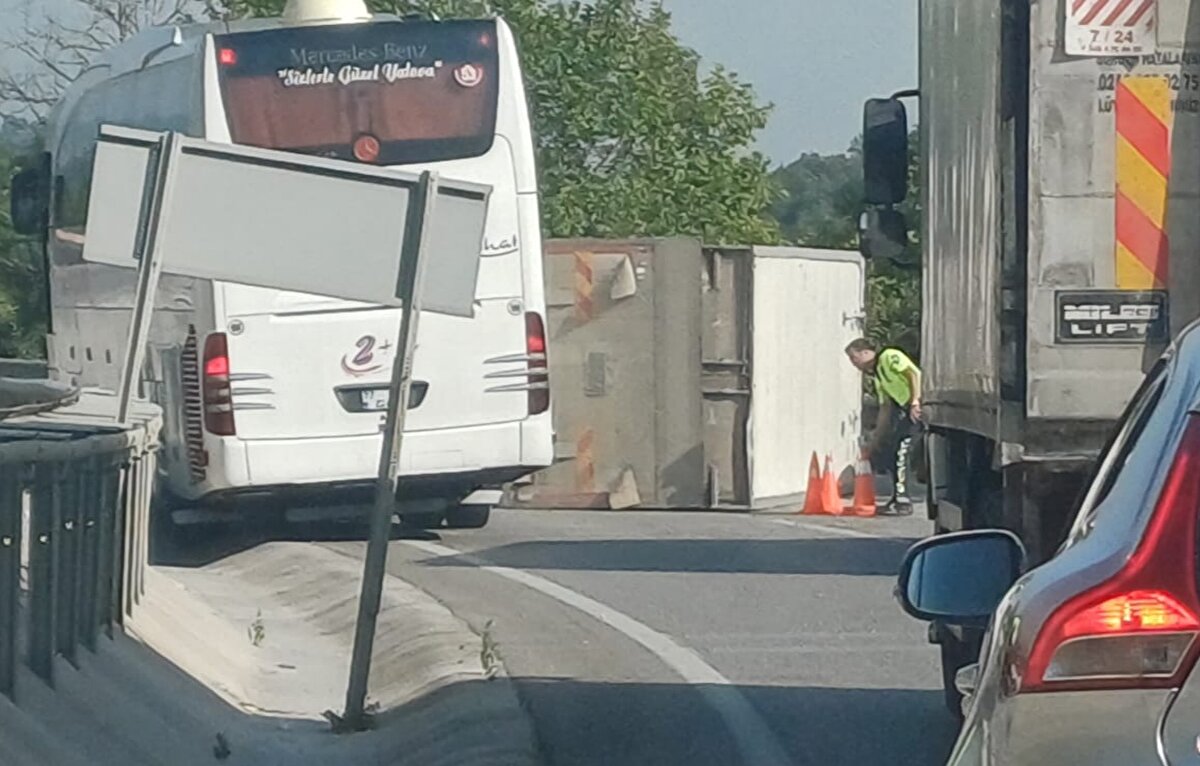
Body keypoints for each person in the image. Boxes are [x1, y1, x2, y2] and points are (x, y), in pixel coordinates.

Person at [844, 338, 922, 516]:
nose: (854, 363)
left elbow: (913, 374)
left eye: (854, 358)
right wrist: (876, 438)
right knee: (889, 451)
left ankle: (903, 499)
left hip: (916, 408)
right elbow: (885, 407)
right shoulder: (878, 374)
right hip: (904, 409)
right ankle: (897, 496)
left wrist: (915, 401)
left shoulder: (889, 356)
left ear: (866, 353)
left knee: (902, 452)